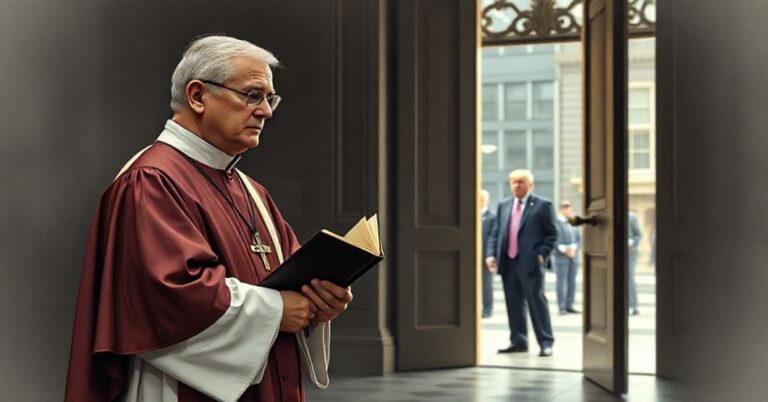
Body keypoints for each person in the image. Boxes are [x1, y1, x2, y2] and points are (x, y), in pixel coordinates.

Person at [65, 35, 354, 402]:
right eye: (252, 95)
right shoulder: (151, 181)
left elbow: (293, 274)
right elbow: (169, 297)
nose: (265, 111)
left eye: (270, 99)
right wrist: (277, 309)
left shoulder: (250, 190)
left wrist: (321, 300)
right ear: (198, 95)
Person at [486, 169, 558, 357]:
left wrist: (542, 254)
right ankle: (518, 341)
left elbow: (552, 234)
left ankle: (546, 343)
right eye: (514, 182)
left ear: (530, 185)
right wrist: (491, 254)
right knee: (513, 304)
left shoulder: (543, 205)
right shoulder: (503, 205)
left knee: (536, 303)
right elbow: (495, 232)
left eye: (521, 182)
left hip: (531, 263)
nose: (517, 185)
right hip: (508, 262)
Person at [554, 200, 581, 315]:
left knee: (572, 281)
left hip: (573, 256)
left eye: (570, 208)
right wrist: (565, 249)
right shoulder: (555, 222)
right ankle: (561, 306)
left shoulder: (573, 222)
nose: (569, 210)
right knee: (561, 282)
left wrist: (574, 248)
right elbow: (553, 239)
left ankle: (570, 305)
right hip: (561, 257)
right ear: (561, 209)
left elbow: (578, 239)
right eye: (566, 208)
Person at [480, 190, 497, 318]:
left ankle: (487, 309)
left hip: (485, 256)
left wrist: (490, 255)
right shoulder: (469, 215)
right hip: (471, 256)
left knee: (486, 284)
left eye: (482, 199)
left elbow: (493, 237)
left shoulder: (492, 217)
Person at [628, 211, 643, 316]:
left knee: (630, 277)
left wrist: (631, 242)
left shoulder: (631, 217)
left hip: (630, 253)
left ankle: (634, 306)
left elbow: (639, 235)